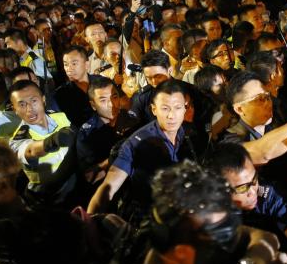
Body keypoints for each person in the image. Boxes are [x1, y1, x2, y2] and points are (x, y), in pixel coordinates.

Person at [103, 160, 283, 264]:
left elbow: (264, 238)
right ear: (181, 252)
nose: (225, 241)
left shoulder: (177, 230)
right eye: (218, 236)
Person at [87, 80, 205, 222]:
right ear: (154, 109)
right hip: (149, 218)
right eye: (165, 108)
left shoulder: (188, 133)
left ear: (185, 108)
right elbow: (108, 187)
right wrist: (89, 223)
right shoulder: (136, 143)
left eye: (178, 108)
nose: (171, 116)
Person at [211, 143, 287, 259]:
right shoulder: (206, 215)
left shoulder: (264, 193)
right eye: (243, 188)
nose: (253, 192)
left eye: (254, 179)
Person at [8, 80, 77, 206]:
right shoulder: (17, 140)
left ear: (43, 100)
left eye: (34, 101)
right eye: (22, 104)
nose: (30, 109)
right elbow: (30, 151)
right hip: (50, 202)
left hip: (76, 187)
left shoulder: (60, 116)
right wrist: (51, 141)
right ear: (15, 109)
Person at [76, 76, 139, 185]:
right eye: (103, 100)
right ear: (93, 105)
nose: (111, 104)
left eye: (114, 97)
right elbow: (89, 177)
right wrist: (112, 159)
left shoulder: (131, 120)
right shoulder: (87, 134)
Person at [54, 46, 96, 127]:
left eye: (74, 63)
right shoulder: (61, 94)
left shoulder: (101, 82)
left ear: (86, 64)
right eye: (66, 64)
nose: (69, 68)